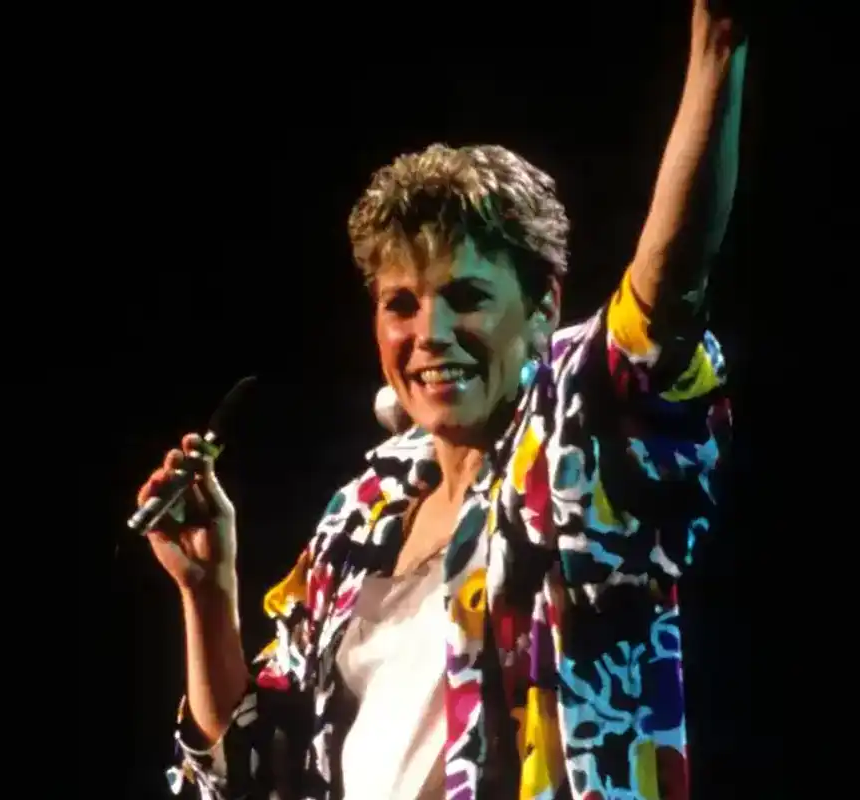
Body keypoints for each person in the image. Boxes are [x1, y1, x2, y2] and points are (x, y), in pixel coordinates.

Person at [141, 2, 745, 797]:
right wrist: (208, 594)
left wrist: (718, 52)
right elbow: (256, 774)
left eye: (464, 295)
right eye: (400, 303)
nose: (428, 333)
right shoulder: (362, 515)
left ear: (543, 309)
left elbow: (665, 301)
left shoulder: (569, 449)